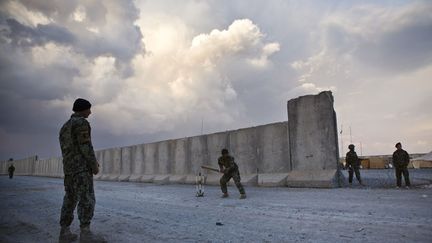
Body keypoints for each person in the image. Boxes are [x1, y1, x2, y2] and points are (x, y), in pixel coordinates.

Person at [58, 98, 101, 242]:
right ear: (82, 109)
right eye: (89, 109)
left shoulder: (64, 127)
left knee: (70, 198)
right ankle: (85, 234)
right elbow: (85, 146)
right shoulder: (81, 123)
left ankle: (64, 232)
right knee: (86, 198)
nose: (90, 111)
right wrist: (94, 165)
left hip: (69, 170)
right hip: (81, 169)